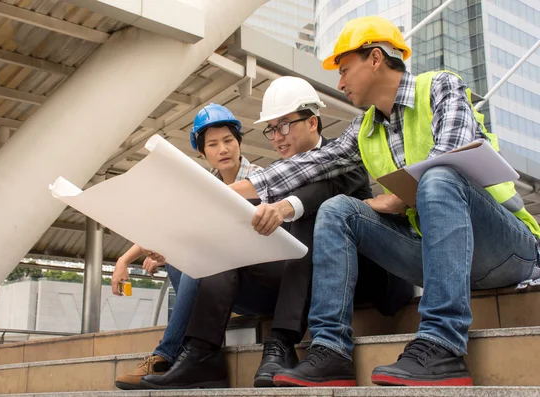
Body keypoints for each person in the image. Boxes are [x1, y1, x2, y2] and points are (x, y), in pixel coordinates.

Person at [227, 16, 540, 387]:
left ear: (375, 58)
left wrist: (398, 198)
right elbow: (303, 168)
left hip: (504, 249)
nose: (339, 83)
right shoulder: (364, 128)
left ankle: (442, 344)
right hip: (435, 253)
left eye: (344, 70)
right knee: (337, 209)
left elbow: (452, 156)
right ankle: (330, 350)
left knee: (439, 177)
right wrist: (216, 193)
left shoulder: (441, 87)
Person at [139, 77, 412, 389]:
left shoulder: (344, 158)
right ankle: (201, 354)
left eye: (284, 126)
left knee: (316, 213)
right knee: (219, 243)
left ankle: (280, 343)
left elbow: (315, 192)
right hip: (294, 283)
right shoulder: (273, 175)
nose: (277, 138)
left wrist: (284, 207)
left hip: (359, 277)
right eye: (271, 129)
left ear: (313, 122)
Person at [112, 103, 261, 390]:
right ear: (202, 152)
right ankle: (193, 351)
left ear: (239, 142)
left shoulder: (259, 178)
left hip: (258, 282)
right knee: (182, 256)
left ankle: (167, 354)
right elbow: (172, 224)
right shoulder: (207, 185)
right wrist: (124, 259)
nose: (223, 149)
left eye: (229, 140)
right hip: (223, 286)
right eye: (213, 144)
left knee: (194, 254)